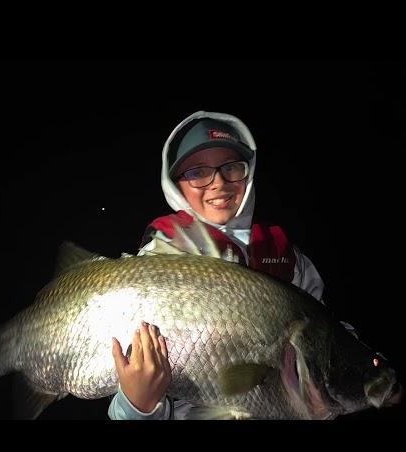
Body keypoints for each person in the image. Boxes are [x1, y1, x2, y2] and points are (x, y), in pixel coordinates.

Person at [108, 111, 326, 420]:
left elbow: (327, 335)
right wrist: (136, 407)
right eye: (197, 172)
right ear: (176, 185)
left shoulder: (290, 260)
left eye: (231, 167)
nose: (219, 183)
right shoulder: (157, 260)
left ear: (248, 173)